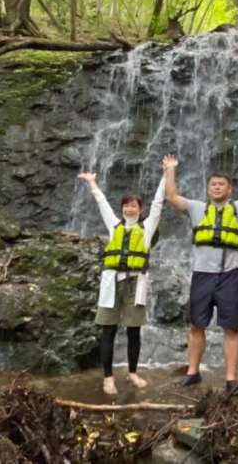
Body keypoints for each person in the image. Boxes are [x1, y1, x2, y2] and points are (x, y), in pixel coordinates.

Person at [162, 153, 238, 394]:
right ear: (208, 189)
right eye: (213, 184)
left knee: (231, 329)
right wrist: (170, 169)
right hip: (202, 274)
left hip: (230, 275)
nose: (216, 187)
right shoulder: (197, 208)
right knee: (196, 325)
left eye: (221, 184)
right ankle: (192, 372)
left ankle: (231, 380)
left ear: (230, 189)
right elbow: (171, 196)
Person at [78, 168, 165, 395]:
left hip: (135, 283)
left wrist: (166, 174)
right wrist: (92, 184)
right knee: (108, 330)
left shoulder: (146, 229)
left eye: (134, 205)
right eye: (126, 205)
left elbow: (158, 204)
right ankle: (108, 378)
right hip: (112, 282)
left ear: (140, 209)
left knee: (134, 331)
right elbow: (102, 204)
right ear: (122, 209)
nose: (129, 208)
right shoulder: (114, 225)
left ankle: (133, 372)